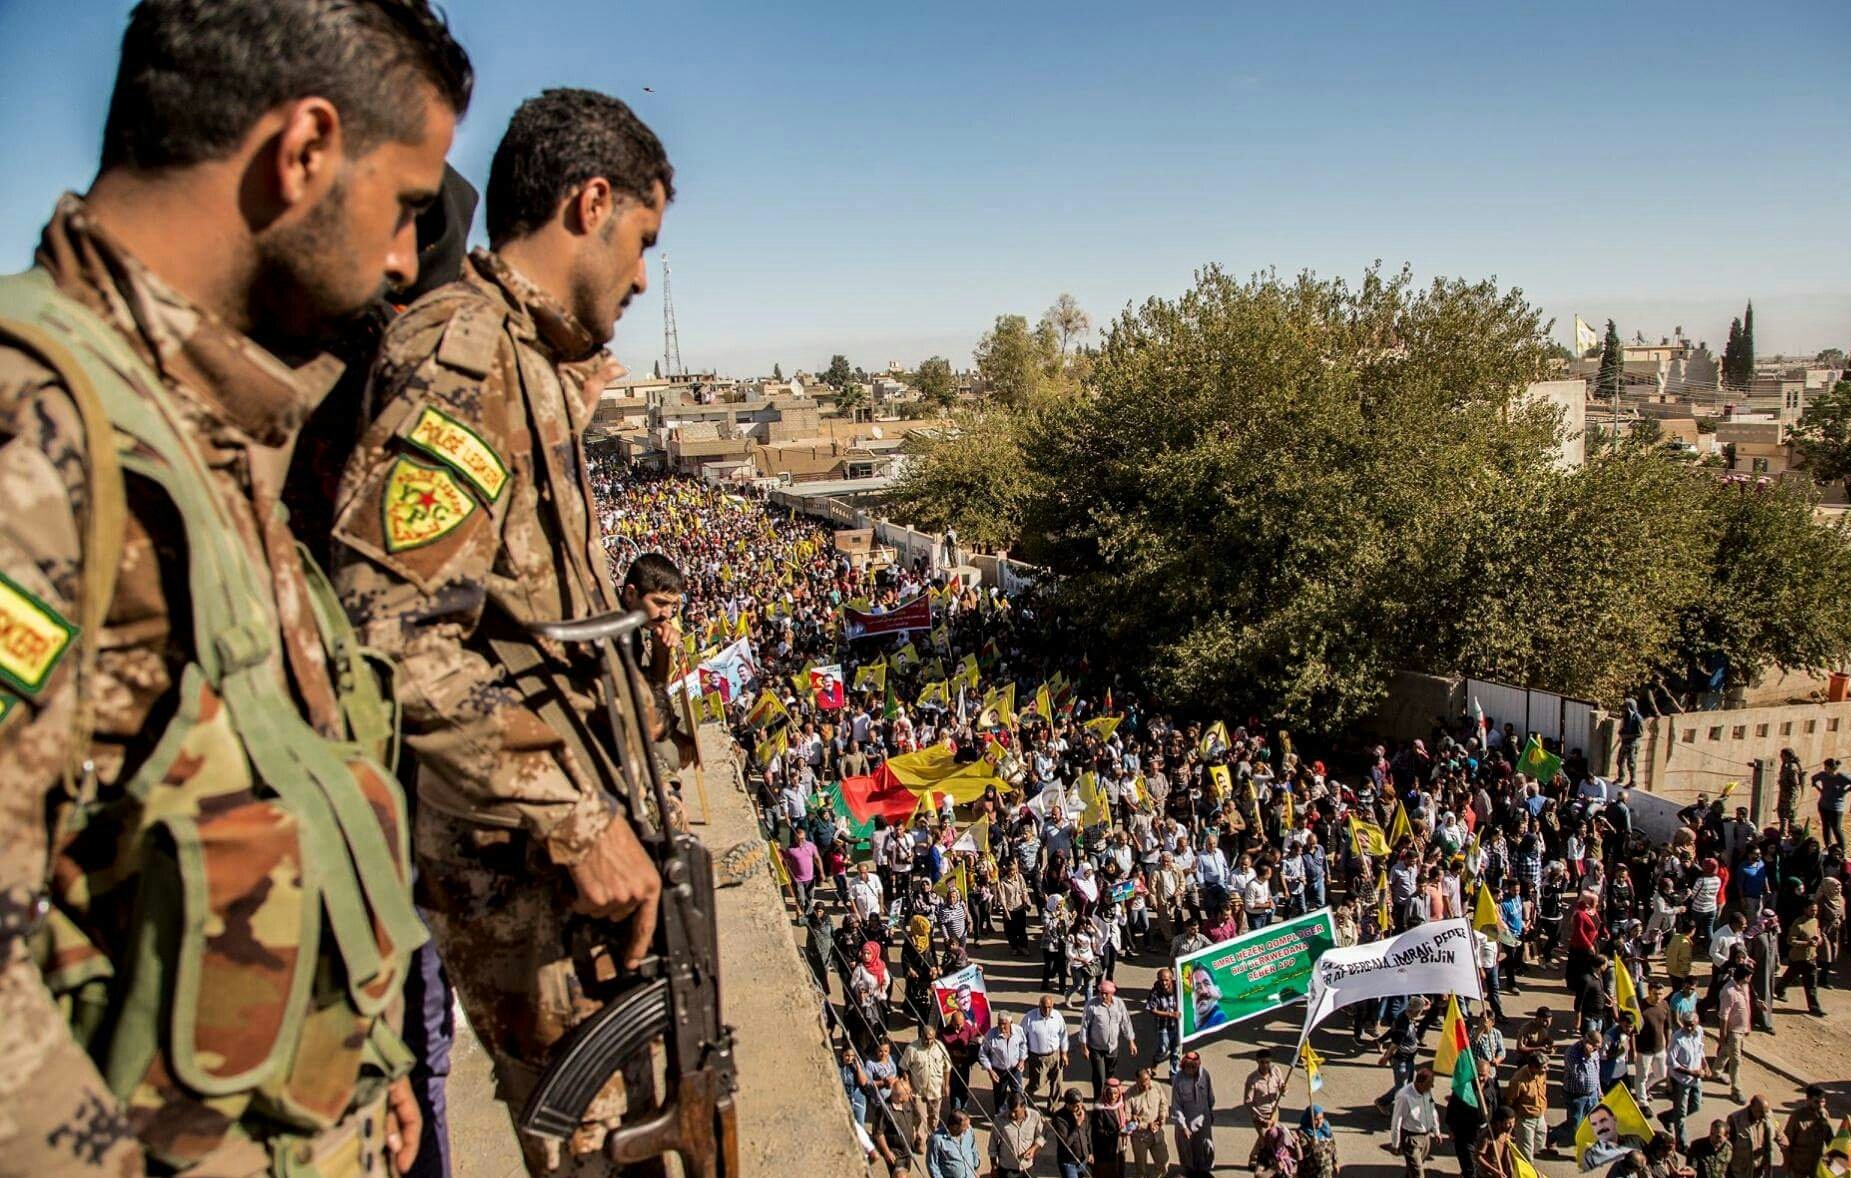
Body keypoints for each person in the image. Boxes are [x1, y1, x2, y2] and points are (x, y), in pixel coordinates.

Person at [0, 2, 471, 1175]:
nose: (409, 258)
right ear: (303, 151)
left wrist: (356, 1082)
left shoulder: (202, 430)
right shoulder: (39, 433)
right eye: (407, 205)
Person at [333, 87, 675, 1176]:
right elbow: (387, 629)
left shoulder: (519, 361)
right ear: (591, 202)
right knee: (597, 1152)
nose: (641, 276)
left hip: (567, 881)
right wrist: (574, 818)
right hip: (526, 879)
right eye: (643, 240)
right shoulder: (463, 356)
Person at [1080, 978, 1139, 1099]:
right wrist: (1084, 1047)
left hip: (1113, 1048)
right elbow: (1084, 1026)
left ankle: (1108, 1097)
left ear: (1112, 993)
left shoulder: (1119, 1004)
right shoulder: (1091, 1005)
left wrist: (1131, 1042)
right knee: (1099, 1077)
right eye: (1101, 993)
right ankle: (1098, 1101)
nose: (1103, 995)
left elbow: (1126, 1023)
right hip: (1096, 1048)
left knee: (1109, 1076)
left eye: (1106, 993)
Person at [1390, 1066, 1445, 1178]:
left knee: (1413, 1171)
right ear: (1420, 1083)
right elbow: (1397, 1120)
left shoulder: (1426, 1091)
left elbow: (1432, 1111)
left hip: (1425, 1138)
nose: (1432, 1087)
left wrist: (1436, 1131)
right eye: (1430, 1084)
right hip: (1411, 1139)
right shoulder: (1404, 1096)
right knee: (1418, 1174)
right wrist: (1395, 1143)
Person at [1665, 1011, 1709, 1151]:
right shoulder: (1678, 1039)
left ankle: (1668, 1117)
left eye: (1692, 1025)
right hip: (1681, 1080)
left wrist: (1706, 1065)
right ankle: (1681, 1143)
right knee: (1682, 1114)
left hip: (1696, 1078)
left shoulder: (1699, 1032)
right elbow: (1671, 1062)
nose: (1690, 1028)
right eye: (1687, 1025)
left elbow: (1700, 1050)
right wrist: (1690, 1072)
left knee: (1696, 1105)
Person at [1774, 900, 1826, 1015]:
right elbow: (1790, 940)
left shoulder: (1815, 921)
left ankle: (1814, 1007)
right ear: (1805, 910)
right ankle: (1779, 989)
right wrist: (1806, 943)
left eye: (1816, 910)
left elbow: (1818, 934)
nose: (1814, 912)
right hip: (1798, 958)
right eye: (1812, 910)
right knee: (1790, 976)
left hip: (1811, 957)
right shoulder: (1798, 924)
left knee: (1811, 984)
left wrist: (1819, 940)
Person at [901, 1021, 953, 1134]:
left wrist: (946, 1085)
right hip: (919, 1092)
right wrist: (908, 1086)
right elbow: (904, 1068)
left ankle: (931, 1139)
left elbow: (947, 1067)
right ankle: (920, 1143)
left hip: (935, 1091)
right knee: (921, 1119)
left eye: (931, 1038)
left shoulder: (940, 1047)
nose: (929, 1041)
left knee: (934, 1119)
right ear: (921, 1035)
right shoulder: (912, 1049)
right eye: (926, 1038)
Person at [1172, 1050, 1217, 1178]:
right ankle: (1189, 1171)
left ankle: (1204, 1171)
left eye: (1193, 1066)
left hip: (1204, 1120)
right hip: (1186, 1122)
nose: (1190, 1069)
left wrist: (1210, 1112)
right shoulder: (1178, 1080)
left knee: (1205, 1147)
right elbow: (1176, 1105)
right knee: (1186, 1150)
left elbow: (1210, 1096)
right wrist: (1183, 1126)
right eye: (1187, 1066)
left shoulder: (1205, 1075)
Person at [1023, 993, 1072, 1111]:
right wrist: (1023, 1057)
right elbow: (1022, 1038)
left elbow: (1063, 1035)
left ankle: (1053, 1108)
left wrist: (1064, 1053)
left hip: (1055, 1055)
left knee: (1057, 1083)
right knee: (1037, 1083)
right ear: (1039, 1006)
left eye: (1049, 1007)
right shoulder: (1029, 1018)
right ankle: (1024, 1099)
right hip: (1037, 1057)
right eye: (1044, 1007)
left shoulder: (1057, 1017)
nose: (1047, 1010)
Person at [874, 1073, 928, 1176]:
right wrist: (887, 1152)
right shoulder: (884, 1109)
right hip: (895, 1154)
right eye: (908, 1093)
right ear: (900, 1097)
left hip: (908, 1151)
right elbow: (878, 1133)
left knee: (906, 1174)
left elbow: (915, 1120)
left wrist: (916, 1134)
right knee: (900, 1176)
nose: (910, 1095)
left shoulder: (907, 1104)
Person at [1125, 1067, 1172, 1178]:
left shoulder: (1156, 1087)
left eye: (1147, 1080)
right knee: (1141, 1171)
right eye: (1142, 1082)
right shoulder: (1129, 1094)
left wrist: (1162, 1116)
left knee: (1163, 1164)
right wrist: (1145, 1125)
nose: (1146, 1084)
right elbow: (1127, 1119)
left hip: (1157, 1133)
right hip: (1140, 1138)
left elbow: (1163, 1103)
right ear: (1136, 1081)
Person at [1504, 1053, 1550, 1163]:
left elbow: (1543, 1088)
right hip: (1525, 1120)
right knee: (1526, 1155)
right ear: (1533, 1067)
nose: (1547, 1069)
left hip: (1540, 1115)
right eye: (1544, 1067)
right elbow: (1509, 1100)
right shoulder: (1518, 1080)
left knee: (1540, 1143)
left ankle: (1518, 1155)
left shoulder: (1542, 1073)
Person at [1780, 1087, 1834, 1178]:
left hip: (1817, 1164)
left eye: (1823, 1102)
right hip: (1799, 1165)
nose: (1820, 1105)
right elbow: (1786, 1143)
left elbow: (1830, 1139)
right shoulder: (1797, 1117)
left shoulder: (1824, 1114)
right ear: (1808, 1100)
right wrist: (1786, 1165)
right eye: (1816, 1102)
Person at [989, 1092, 1045, 1178]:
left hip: (1028, 1167)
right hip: (1007, 1169)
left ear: (1024, 1107)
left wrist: (1034, 1149)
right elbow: (993, 1143)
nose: (1012, 1114)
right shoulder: (999, 1120)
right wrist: (994, 1166)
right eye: (1010, 1111)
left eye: (1015, 1111)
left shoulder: (1035, 1116)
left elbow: (1041, 1136)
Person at [981, 1012, 1029, 1104]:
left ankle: (1018, 1114)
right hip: (998, 1071)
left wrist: (1022, 1059)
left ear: (1011, 1022)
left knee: (1017, 1094)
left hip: (1015, 1069)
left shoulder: (1018, 1031)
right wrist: (990, 1070)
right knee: (1000, 1096)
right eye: (999, 1024)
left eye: (1004, 1024)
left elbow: (1023, 1044)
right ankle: (1000, 1116)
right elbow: (983, 1054)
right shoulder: (990, 1035)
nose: (1002, 1027)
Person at [1147, 967, 1182, 1077]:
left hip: (1178, 1025)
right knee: (1163, 1049)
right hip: (1163, 1026)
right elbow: (1152, 1010)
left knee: (1176, 1051)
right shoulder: (1155, 992)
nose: (1164, 983)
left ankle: (1173, 1073)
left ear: (1171, 979)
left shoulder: (1178, 989)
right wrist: (1170, 1014)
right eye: (1161, 980)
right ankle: (1155, 1061)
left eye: (1166, 980)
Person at [1727, 1096, 1775, 1178]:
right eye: (1760, 1112)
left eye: (1766, 1112)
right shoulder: (1735, 1120)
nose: (1764, 1116)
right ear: (1752, 1107)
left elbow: (1776, 1127)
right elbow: (1727, 1146)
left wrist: (1782, 1138)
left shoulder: (1768, 1115)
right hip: (1740, 1171)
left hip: (1759, 1169)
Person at [1050, 1089, 1093, 1178]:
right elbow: (1065, 1144)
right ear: (1068, 1105)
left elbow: (1087, 1133)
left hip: (1083, 1160)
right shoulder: (1059, 1118)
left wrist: (1091, 1152)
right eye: (1076, 1106)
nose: (1080, 1108)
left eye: (1081, 1104)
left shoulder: (1082, 1111)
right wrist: (1077, 1125)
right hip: (1069, 1163)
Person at [1243, 1047, 1288, 1132]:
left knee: (1273, 1138)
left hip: (1274, 1111)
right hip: (1260, 1115)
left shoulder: (1276, 1071)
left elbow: (1282, 1088)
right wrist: (1260, 1118)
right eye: (1262, 1062)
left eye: (1267, 1062)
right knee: (1264, 1139)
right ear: (1257, 1061)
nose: (1265, 1065)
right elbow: (1248, 1101)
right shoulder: (1252, 1079)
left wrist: (1284, 1089)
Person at [925, 1109, 981, 1178]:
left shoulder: (969, 1131)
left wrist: (976, 1169)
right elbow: (933, 1166)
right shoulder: (936, 1140)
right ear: (954, 1127)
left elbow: (973, 1150)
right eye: (964, 1127)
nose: (967, 1129)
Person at [1298, 1104, 1341, 1178]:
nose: (1319, 1122)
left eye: (1321, 1118)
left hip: (1326, 1170)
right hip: (1311, 1172)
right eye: (1316, 1119)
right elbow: (1302, 1155)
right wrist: (1311, 1144)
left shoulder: (1325, 1127)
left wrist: (1335, 1162)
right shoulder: (1302, 1133)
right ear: (1309, 1119)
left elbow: (1332, 1144)